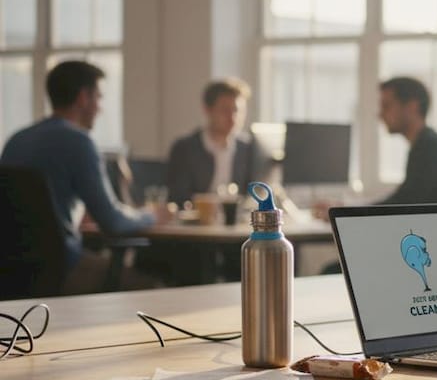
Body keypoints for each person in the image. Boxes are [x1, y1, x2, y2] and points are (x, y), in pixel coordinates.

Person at [0, 60, 161, 293]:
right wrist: (151, 215)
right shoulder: (79, 142)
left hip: (10, 266)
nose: (100, 107)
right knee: (154, 287)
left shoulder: (16, 140)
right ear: (84, 98)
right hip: (62, 266)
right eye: (99, 97)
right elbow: (113, 222)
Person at [166, 78, 264, 207]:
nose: (232, 117)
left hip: (235, 222)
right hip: (197, 223)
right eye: (225, 110)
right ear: (208, 110)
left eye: (237, 110)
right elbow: (178, 198)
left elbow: (253, 193)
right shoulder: (185, 149)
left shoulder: (247, 148)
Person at [376, 76, 437, 205]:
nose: (381, 114)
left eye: (387, 106)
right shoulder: (425, 144)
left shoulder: (431, 147)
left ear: (412, 107)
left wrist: (356, 211)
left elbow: (406, 202)